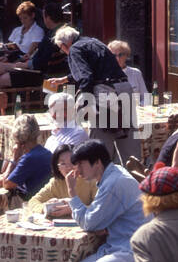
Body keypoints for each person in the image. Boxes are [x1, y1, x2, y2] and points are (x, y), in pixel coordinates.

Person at [26, 145, 97, 262]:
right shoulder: (55, 183)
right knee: (50, 259)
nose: (68, 167)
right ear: (57, 167)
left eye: (72, 162)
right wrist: (48, 208)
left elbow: (99, 208)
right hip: (58, 234)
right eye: (62, 163)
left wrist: (73, 208)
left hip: (86, 234)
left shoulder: (89, 181)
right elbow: (33, 202)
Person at [54, 26, 137, 164]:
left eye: (61, 49)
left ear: (64, 45)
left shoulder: (74, 50)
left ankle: (101, 183)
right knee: (129, 147)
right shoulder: (95, 42)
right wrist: (66, 79)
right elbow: (95, 69)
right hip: (124, 88)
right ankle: (136, 181)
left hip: (106, 94)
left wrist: (83, 104)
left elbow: (86, 76)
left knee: (100, 149)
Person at [0, 0, 45, 91]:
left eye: (25, 18)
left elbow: (32, 49)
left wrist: (22, 52)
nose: (23, 21)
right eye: (21, 19)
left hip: (24, 61)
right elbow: (9, 45)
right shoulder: (17, 30)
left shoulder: (38, 31)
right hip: (13, 58)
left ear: (32, 16)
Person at [0, 114, 52, 197]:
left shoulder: (29, 158)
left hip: (30, 200)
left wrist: (14, 159)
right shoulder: (45, 152)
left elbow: (7, 184)